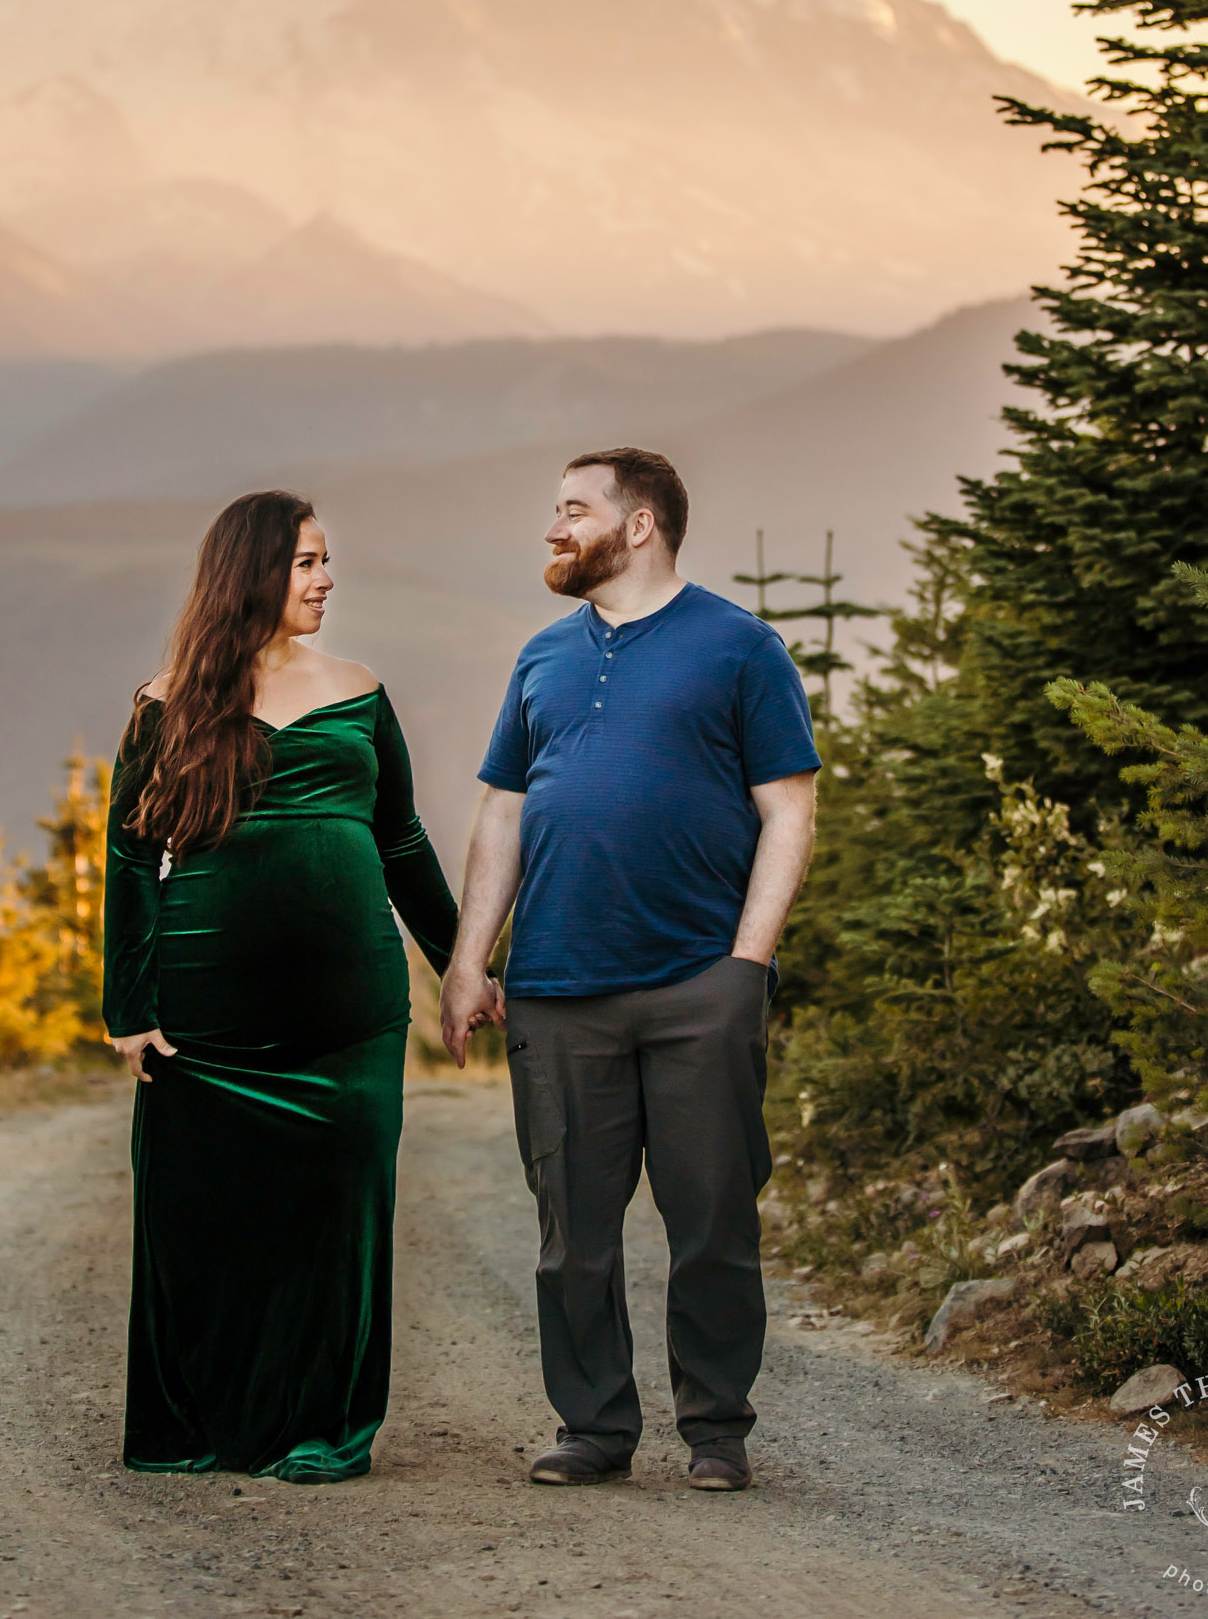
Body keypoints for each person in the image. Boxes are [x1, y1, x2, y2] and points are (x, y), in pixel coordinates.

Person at [439, 448, 818, 1494]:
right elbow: (502, 812)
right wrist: (470, 959)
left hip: (701, 980)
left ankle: (715, 1429)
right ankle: (594, 1427)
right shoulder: (540, 659)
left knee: (711, 1222)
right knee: (573, 1236)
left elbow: (787, 807)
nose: (553, 529)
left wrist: (747, 963)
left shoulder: (739, 649)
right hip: (557, 990)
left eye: (572, 510)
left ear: (638, 523)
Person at [103, 489, 483, 1482]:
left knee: (337, 1213)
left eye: (325, 561)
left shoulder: (359, 689)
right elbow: (131, 857)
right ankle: (195, 1424)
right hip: (204, 1014)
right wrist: (129, 1010)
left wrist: (460, 964)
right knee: (202, 1216)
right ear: (251, 575)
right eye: (306, 561)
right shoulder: (166, 703)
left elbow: (399, 840)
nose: (325, 578)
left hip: (346, 1012)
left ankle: (322, 1427)